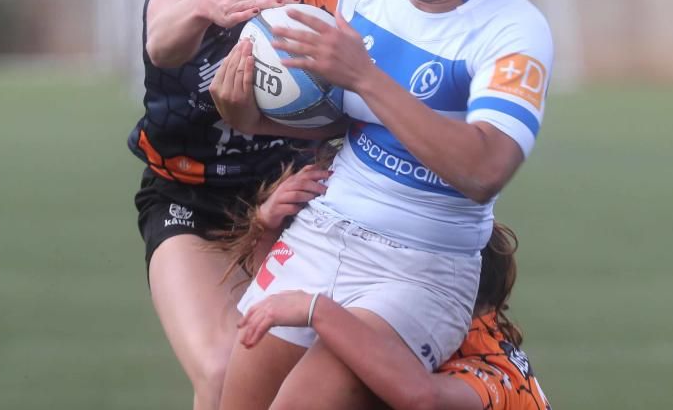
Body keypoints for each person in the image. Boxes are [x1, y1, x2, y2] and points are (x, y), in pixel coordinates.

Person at [212, 0, 607, 410]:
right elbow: (347, 118)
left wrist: (365, 74)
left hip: (420, 268)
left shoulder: (512, 31)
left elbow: (484, 170)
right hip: (324, 230)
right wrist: (250, 115)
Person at [126, 0, 413, 410]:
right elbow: (162, 40)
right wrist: (209, 3)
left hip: (303, 209)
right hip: (192, 203)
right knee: (226, 369)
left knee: (329, 385)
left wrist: (269, 129)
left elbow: (371, 110)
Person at [222, 168, 549, 410]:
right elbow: (282, 315)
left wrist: (317, 309)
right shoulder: (419, 337)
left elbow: (421, 397)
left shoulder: (496, 376)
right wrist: (265, 227)